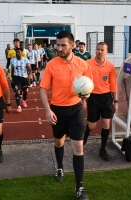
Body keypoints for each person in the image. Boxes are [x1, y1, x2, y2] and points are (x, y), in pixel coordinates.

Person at [40, 31, 92, 200]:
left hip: (76, 110)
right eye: (58, 45)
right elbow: (42, 88)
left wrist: (86, 95)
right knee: (59, 140)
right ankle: (60, 167)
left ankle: (79, 187)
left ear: (72, 46)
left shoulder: (82, 64)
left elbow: (88, 86)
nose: (59, 48)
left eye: (63, 45)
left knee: (78, 147)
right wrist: (48, 110)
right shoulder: (51, 65)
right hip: (57, 110)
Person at [83, 42, 118, 162]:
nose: (99, 52)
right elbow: (83, 82)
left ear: (106, 52)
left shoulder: (111, 66)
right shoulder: (88, 64)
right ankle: (85, 136)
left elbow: (113, 85)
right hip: (93, 98)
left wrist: (116, 101)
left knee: (106, 124)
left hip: (106, 98)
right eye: (98, 49)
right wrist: (83, 99)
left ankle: (102, 149)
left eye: (102, 50)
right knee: (92, 125)